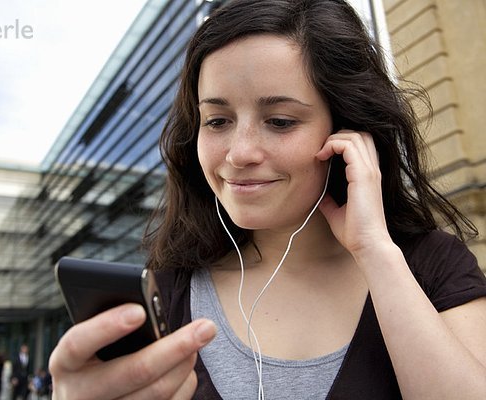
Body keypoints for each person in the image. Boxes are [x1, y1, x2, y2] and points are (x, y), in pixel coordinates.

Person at [49, 0, 486, 398]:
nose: (239, 153)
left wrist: (375, 251)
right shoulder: (168, 289)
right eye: (217, 120)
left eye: (279, 121)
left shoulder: (432, 268)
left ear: (347, 130)